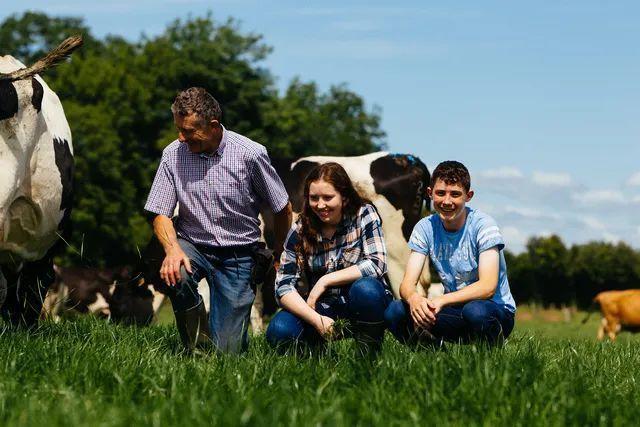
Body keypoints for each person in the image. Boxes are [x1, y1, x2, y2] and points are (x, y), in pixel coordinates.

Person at [144, 87, 292, 354]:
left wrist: (280, 250)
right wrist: (172, 249)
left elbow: (282, 207)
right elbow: (159, 212)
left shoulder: (251, 154)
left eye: (188, 131)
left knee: (229, 354)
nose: (181, 137)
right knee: (176, 272)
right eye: (178, 128)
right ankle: (198, 350)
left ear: (213, 126)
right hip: (193, 245)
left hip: (239, 255)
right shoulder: (172, 154)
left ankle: (224, 342)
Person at [265, 162, 392, 355]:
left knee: (367, 288)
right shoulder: (299, 229)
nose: (320, 205)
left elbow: (377, 263)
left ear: (344, 197)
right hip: (320, 308)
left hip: (359, 302)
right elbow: (283, 287)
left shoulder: (364, 214)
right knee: (279, 331)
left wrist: (325, 280)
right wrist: (316, 319)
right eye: (314, 198)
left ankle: (368, 353)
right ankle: (321, 356)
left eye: (328, 197)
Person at [384, 161, 516, 346]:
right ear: (430, 193)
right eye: (440, 193)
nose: (446, 201)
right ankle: (436, 361)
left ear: (468, 196)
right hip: (453, 310)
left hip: (494, 311)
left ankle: (491, 357)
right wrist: (414, 299)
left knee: (475, 311)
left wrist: (441, 300)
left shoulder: (484, 225)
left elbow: (487, 287)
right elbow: (407, 283)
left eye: (455, 194)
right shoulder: (425, 227)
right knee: (395, 310)